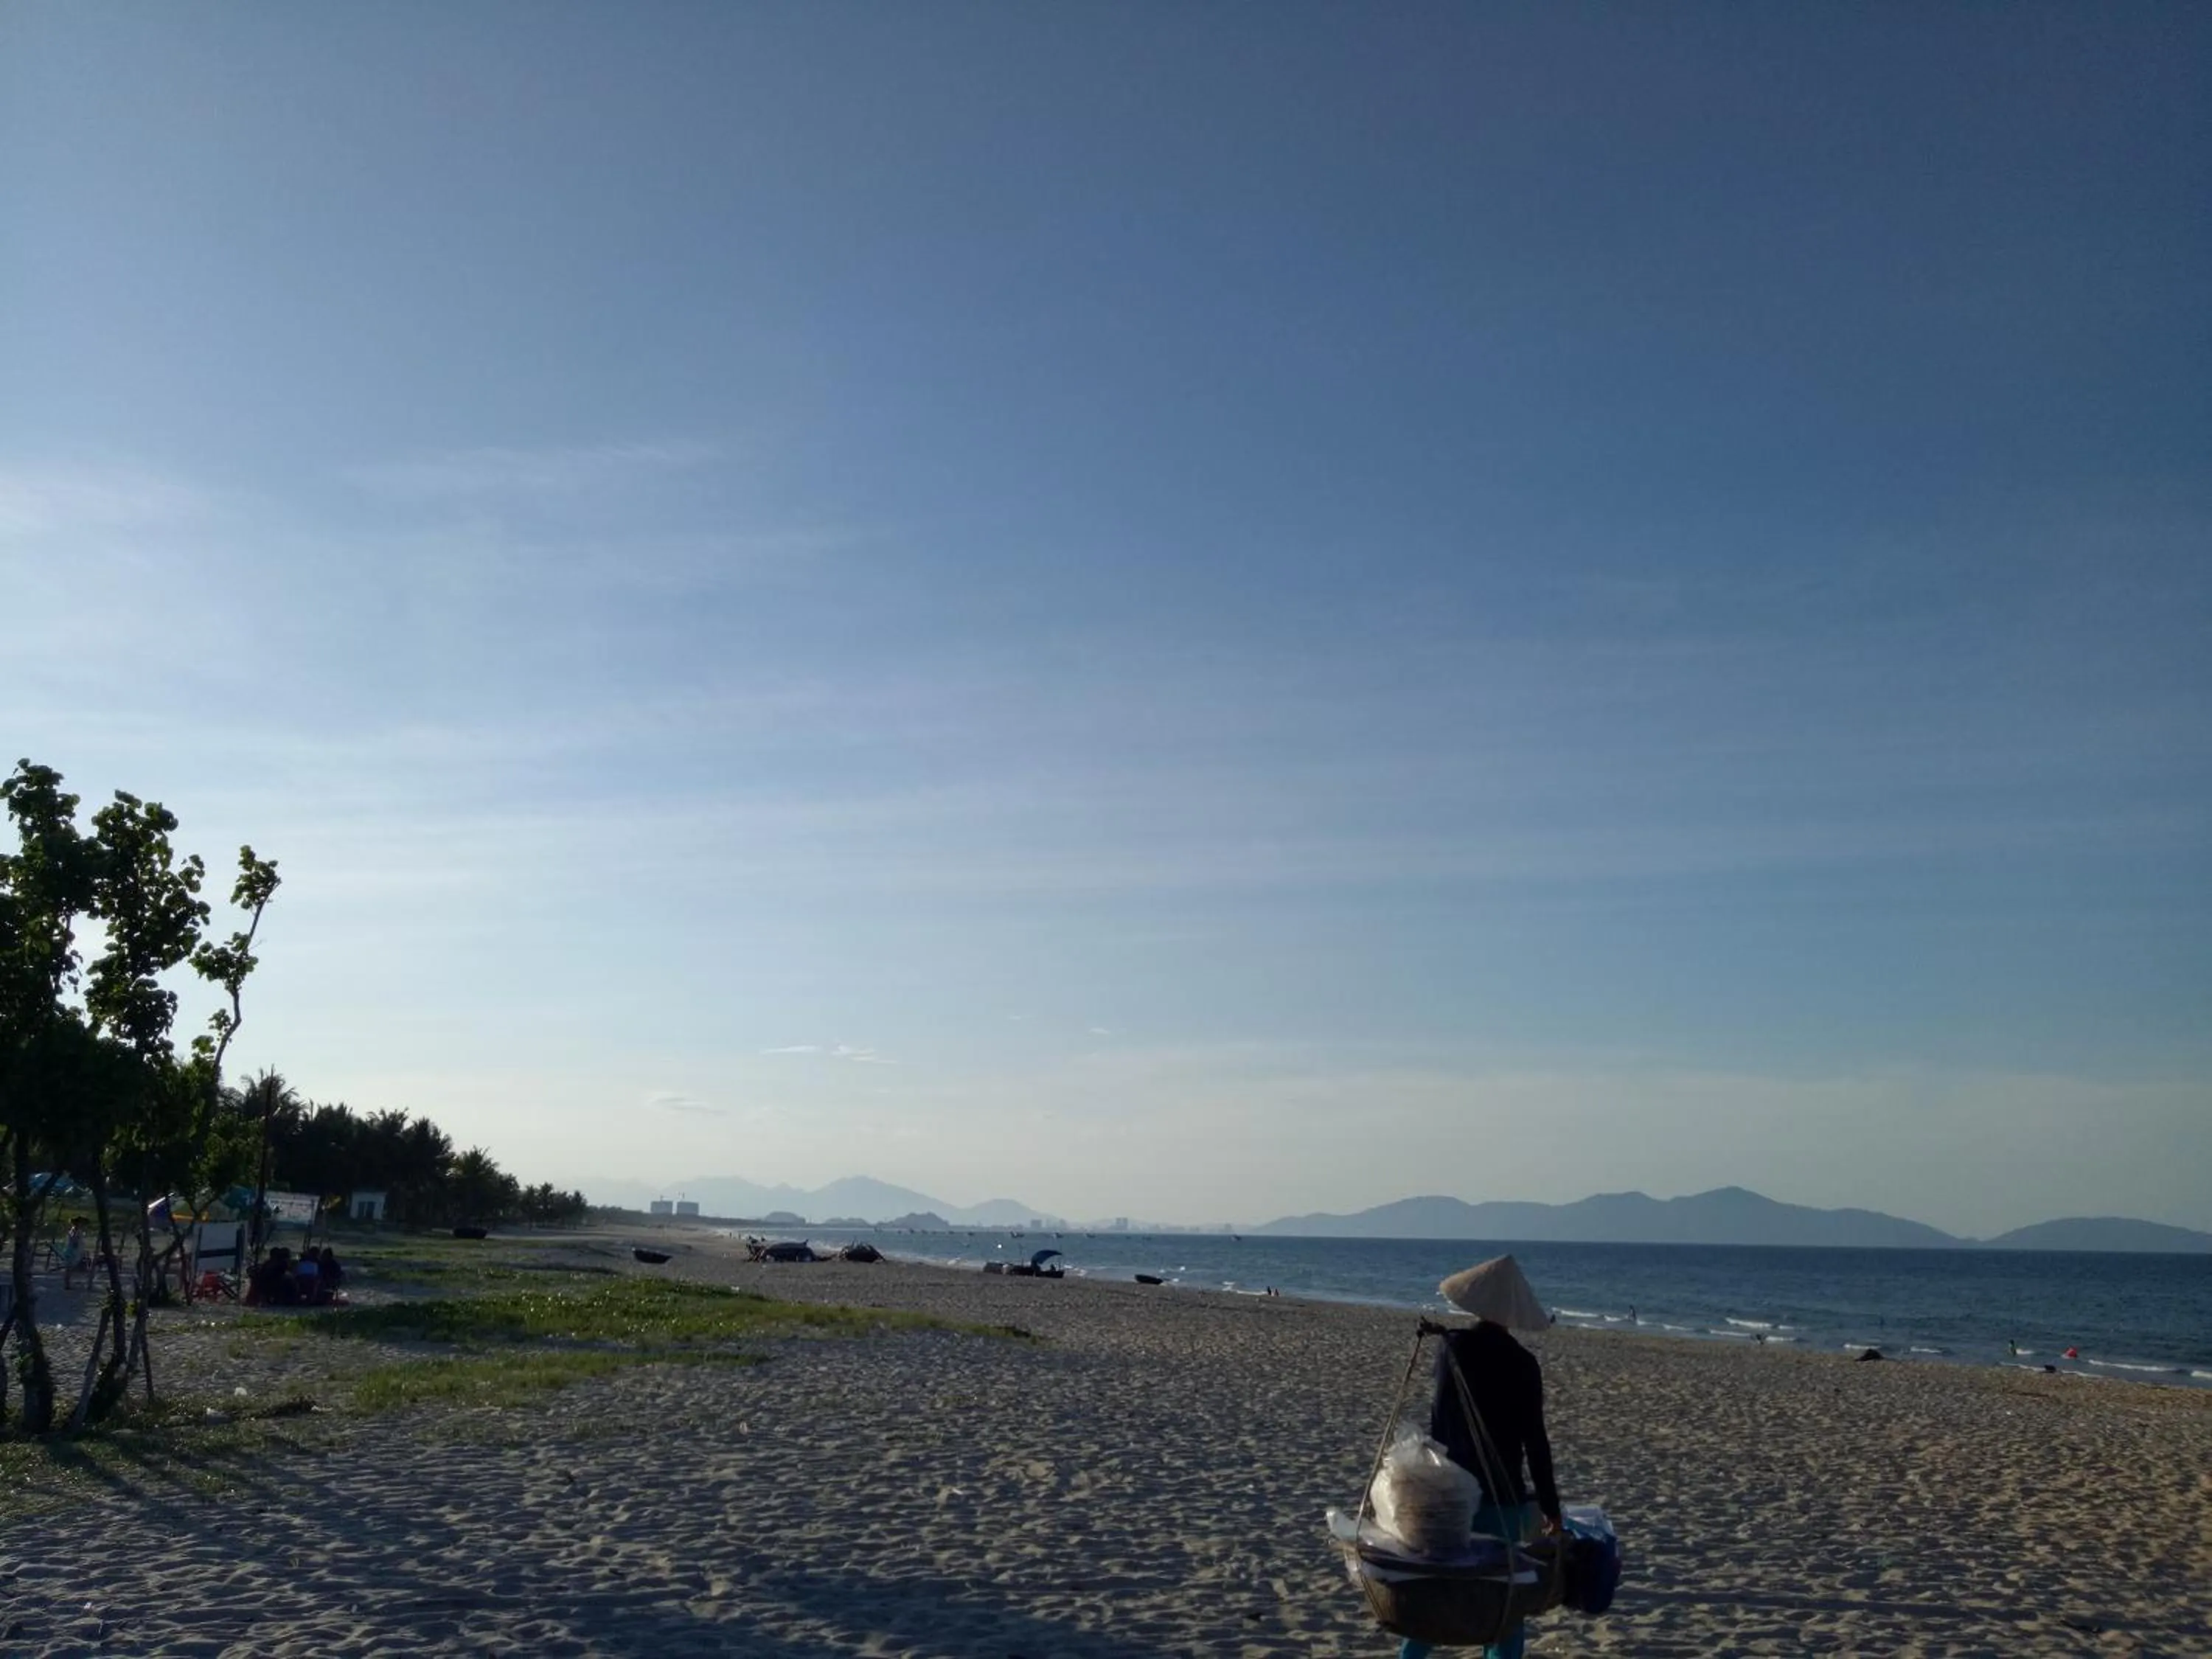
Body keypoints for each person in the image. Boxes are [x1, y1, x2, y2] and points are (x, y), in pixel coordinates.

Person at [1400, 1255, 1562, 1659]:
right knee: (1505, 1605)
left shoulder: (1451, 1350)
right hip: (1499, 1496)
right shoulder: (1523, 1365)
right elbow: (1535, 1443)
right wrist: (1550, 1507)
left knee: (1434, 1595)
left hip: (1449, 1497)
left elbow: (1439, 1419)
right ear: (1512, 1312)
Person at [60, 1218, 91, 1290]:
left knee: (70, 1269)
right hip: (72, 1252)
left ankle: (68, 1284)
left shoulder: (76, 1231)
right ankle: (67, 1284)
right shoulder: (75, 1231)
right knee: (69, 1269)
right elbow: (75, 1241)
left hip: (74, 1251)